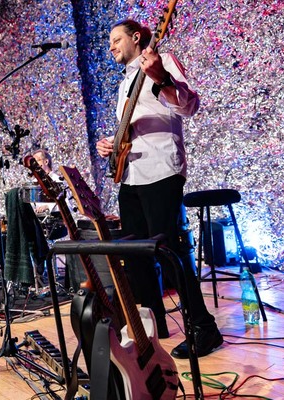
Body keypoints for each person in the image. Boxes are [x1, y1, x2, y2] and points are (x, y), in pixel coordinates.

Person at [96, 19, 223, 359]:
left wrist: (161, 78)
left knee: (168, 253)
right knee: (136, 258)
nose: (111, 46)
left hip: (160, 171)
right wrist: (111, 143)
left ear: (137, 37)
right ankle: (152, 329)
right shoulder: (124, 83)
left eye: (116, 39)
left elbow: (189, 105)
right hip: (131, 175)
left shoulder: (162, 62)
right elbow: (130, 129)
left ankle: (204, 327)